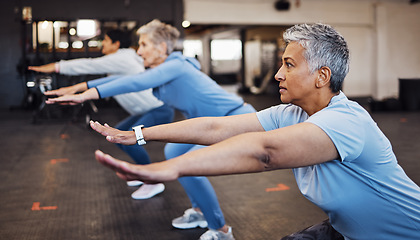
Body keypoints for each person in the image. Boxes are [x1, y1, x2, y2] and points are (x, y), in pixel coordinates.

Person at [90, 23, 420, 240]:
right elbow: (215, 126)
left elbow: (265, 153)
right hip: (346, 231)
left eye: (288, 65)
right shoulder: (290, 113)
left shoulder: (347, 121)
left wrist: (165, 169)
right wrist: (142, 135)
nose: (278, 74)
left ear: (322, 76)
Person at [45, 19, 257, 240]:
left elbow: (136, 83)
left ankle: (221, 230)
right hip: (206, 125)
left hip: (235, 118)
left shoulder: (177, 65)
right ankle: (200, 211)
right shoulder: (163, 70)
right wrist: (79, 87)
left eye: (144, 45)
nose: (139, 51)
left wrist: (85, 95)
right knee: (173, 152)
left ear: (162, 48)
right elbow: (127, 79)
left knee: (190, 164)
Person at [29, 29, 174, 200]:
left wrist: (56, 67)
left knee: (130, 139)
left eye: (105, 40)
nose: (102, 44)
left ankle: (152, 180)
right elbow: (104, 81)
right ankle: (144, 173)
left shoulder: (121, 58)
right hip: (146, 110)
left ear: (116, 44)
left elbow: (89, 64)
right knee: (120, 134)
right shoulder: (121, 60)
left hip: (157, 109)